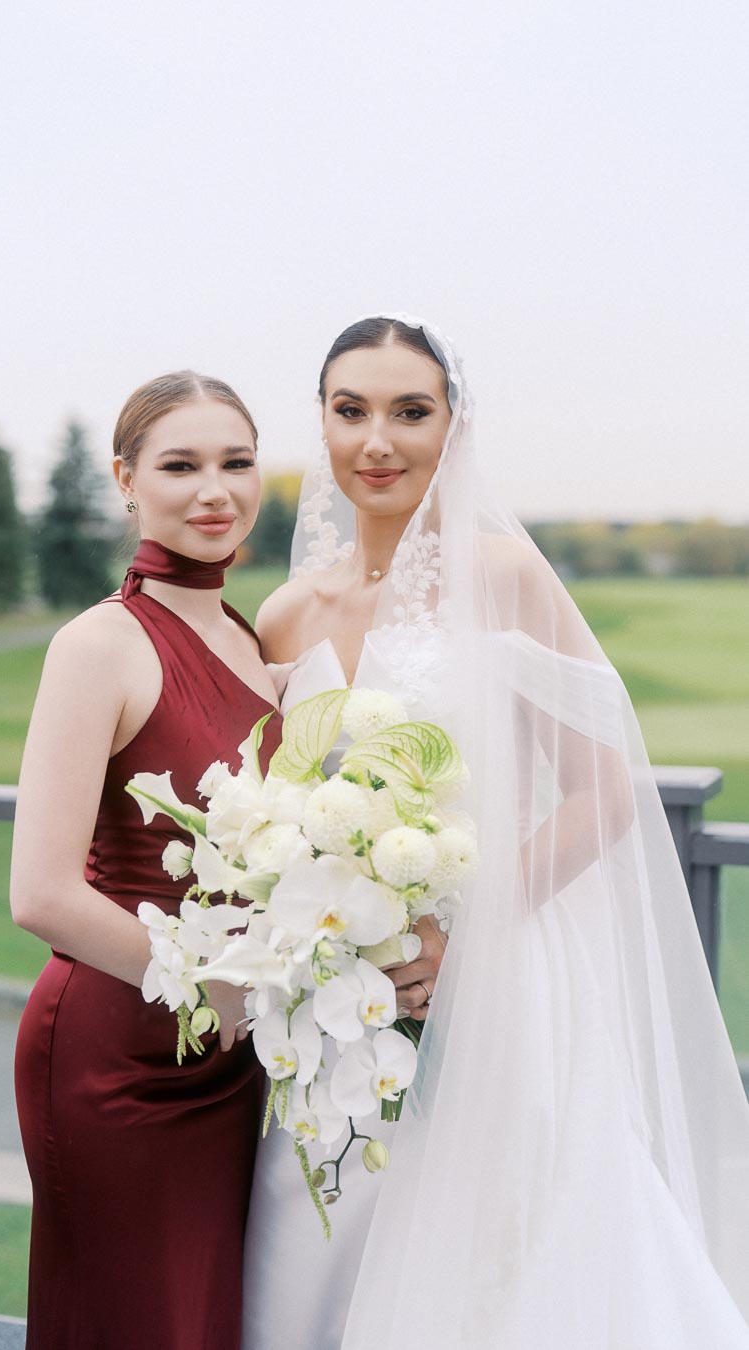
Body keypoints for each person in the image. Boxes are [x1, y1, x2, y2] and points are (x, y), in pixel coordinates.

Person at [242, 315, 749, 1349]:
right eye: (351, 411)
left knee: (496, 1249)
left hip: (504, 968)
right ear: (323, 427)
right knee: (322, 1234)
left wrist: (460, 931)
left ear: (454, 429)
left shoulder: (504, 577)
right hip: (343, 994)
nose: (377, 440)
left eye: (409, 411)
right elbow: (274, 810)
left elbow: (604, 789)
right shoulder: (287, 613)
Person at [11, 371, 279, 1350]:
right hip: (115, 1055)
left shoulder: (247, 636)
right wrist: (215, 989)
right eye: (181, 465)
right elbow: (38, 893)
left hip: (222, 1057)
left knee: (200, 1323)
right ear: (126, 480)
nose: (215, 490)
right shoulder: (99, 643)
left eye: (236, 462)